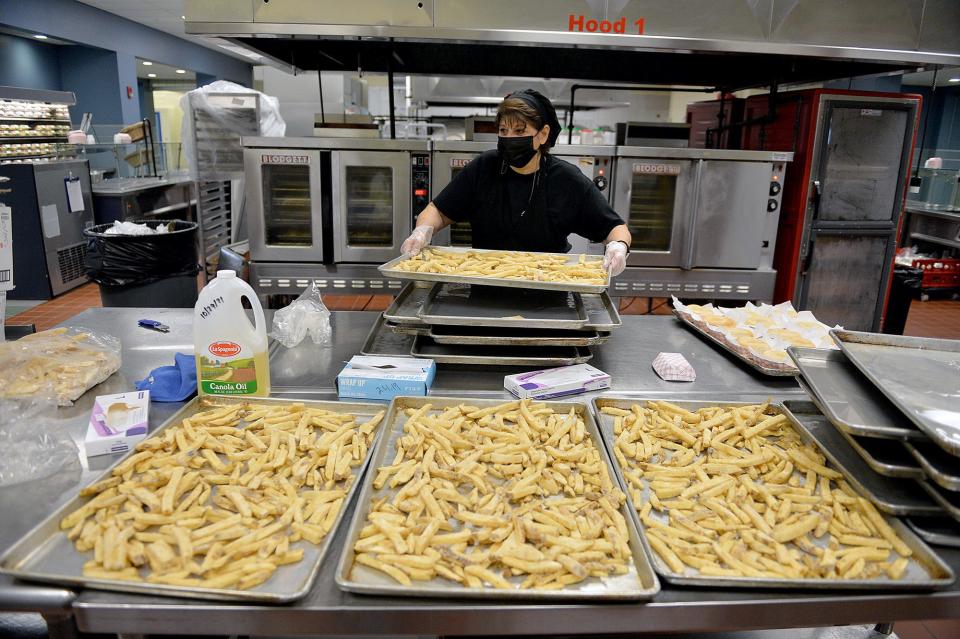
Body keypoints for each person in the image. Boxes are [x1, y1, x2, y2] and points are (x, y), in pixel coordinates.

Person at [400, 89, 631, 276]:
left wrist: (618, 246)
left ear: (542, 134)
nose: (509, 139)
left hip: (548, 293)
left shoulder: (566, 179)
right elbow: (437, 211)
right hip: (485, 288)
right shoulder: (485, 167)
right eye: (503, 130)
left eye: (520, 131)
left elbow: (615, 228)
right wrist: (422, 231)